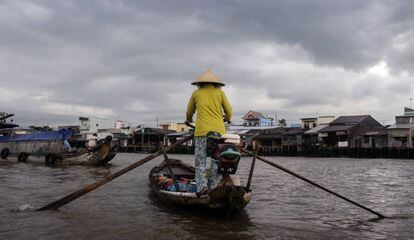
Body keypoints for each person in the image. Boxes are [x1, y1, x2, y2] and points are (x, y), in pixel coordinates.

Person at [186, 69, 232, 195]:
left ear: (199, 83)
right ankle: (213, 187)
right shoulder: (220, 93)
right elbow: (229, 111)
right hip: (218, 133)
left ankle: (201, 188)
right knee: (216, 161)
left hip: (201, 133)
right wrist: (227, 118)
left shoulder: (196, 93)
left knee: (200, 162)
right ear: (216, 84)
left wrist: (188, 120)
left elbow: (189, 112)